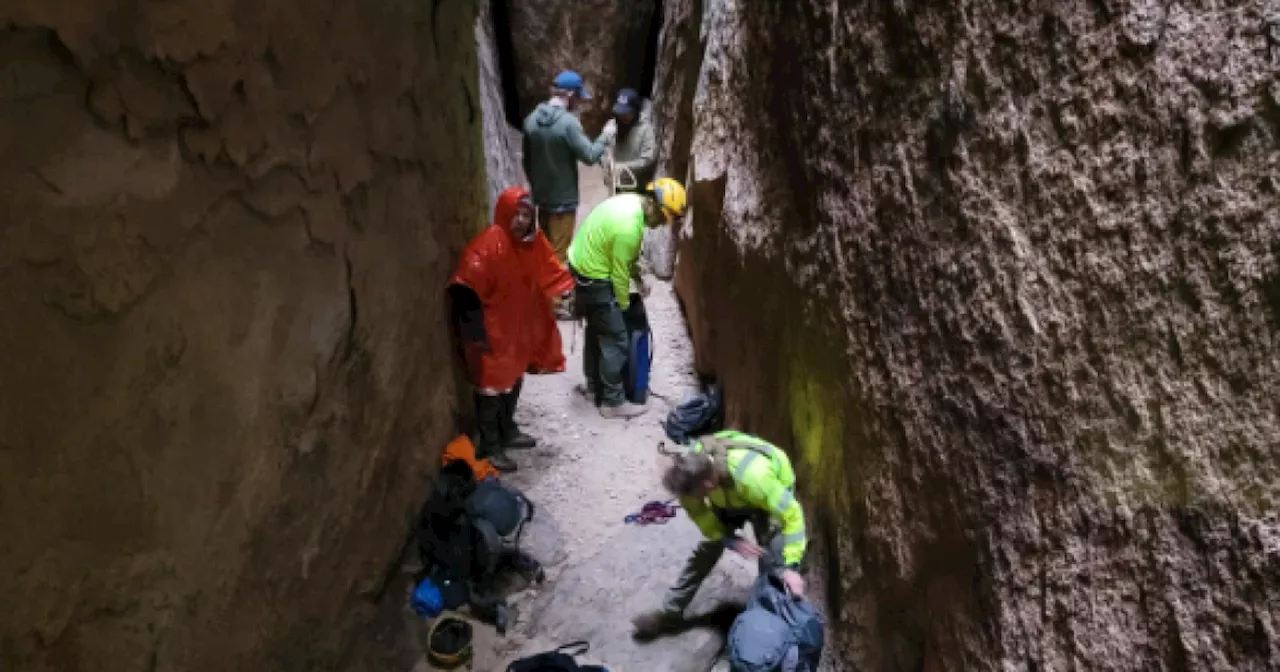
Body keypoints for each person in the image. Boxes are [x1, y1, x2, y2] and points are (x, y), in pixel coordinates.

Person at [632, 430, 809, 639]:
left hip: (766, 492)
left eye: (697, 495)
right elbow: (701, 515)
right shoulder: (689, 477)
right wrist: (727, 539)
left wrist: (791, 566)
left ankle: (767, 622)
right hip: (729, 496)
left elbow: (793, 514)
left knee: (772, 556)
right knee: (707, 550)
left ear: (708, 484)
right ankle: (670, 612)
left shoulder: (755, 477)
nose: (693, 499)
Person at [447, 186, 574, 472]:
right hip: (494, 331)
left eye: (526, 215)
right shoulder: (489, 246)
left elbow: (548, 268)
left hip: (517, 327)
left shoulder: (531, 243)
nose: (521, 220)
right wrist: (475, 335)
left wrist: (567, 290)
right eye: (516, 214)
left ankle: (507, 429)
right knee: (492, 387)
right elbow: (466, 287)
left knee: (514, 378)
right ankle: (490, 445)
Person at [567, 177, 686, 419]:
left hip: (580, 266)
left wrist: (638, 279)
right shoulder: (630, 228)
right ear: (654, 204)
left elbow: (623, 257)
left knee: (596, 329)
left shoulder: (631, 202)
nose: (663, 223)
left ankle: (593, 387)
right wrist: (622, 307)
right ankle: (612, 402)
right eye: (664, 216)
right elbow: (619, 275)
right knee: (616, 338)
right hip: (594, 279)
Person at [522, 70, 618, 322]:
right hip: (563, 200)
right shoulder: (568, 124)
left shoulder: (531, 120)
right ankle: (551, 306)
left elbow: (527, 161)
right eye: (580, 98)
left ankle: (542, 296)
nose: (581, 103)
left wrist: (537, 189)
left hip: (542, 198)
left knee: (542, 250)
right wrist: (606, 137)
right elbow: (589, 155)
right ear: (571, 95)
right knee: (557, 255)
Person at [602, 88, 656, 193]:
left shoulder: (645, 129)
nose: (622, 116)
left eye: (626, 113)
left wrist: (624, 167)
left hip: (635, 187)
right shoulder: (611, 126)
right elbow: (603, 152)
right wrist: (607, 165)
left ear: (635, 111)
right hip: (614, 184)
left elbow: (648, 159)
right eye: (620, 112)